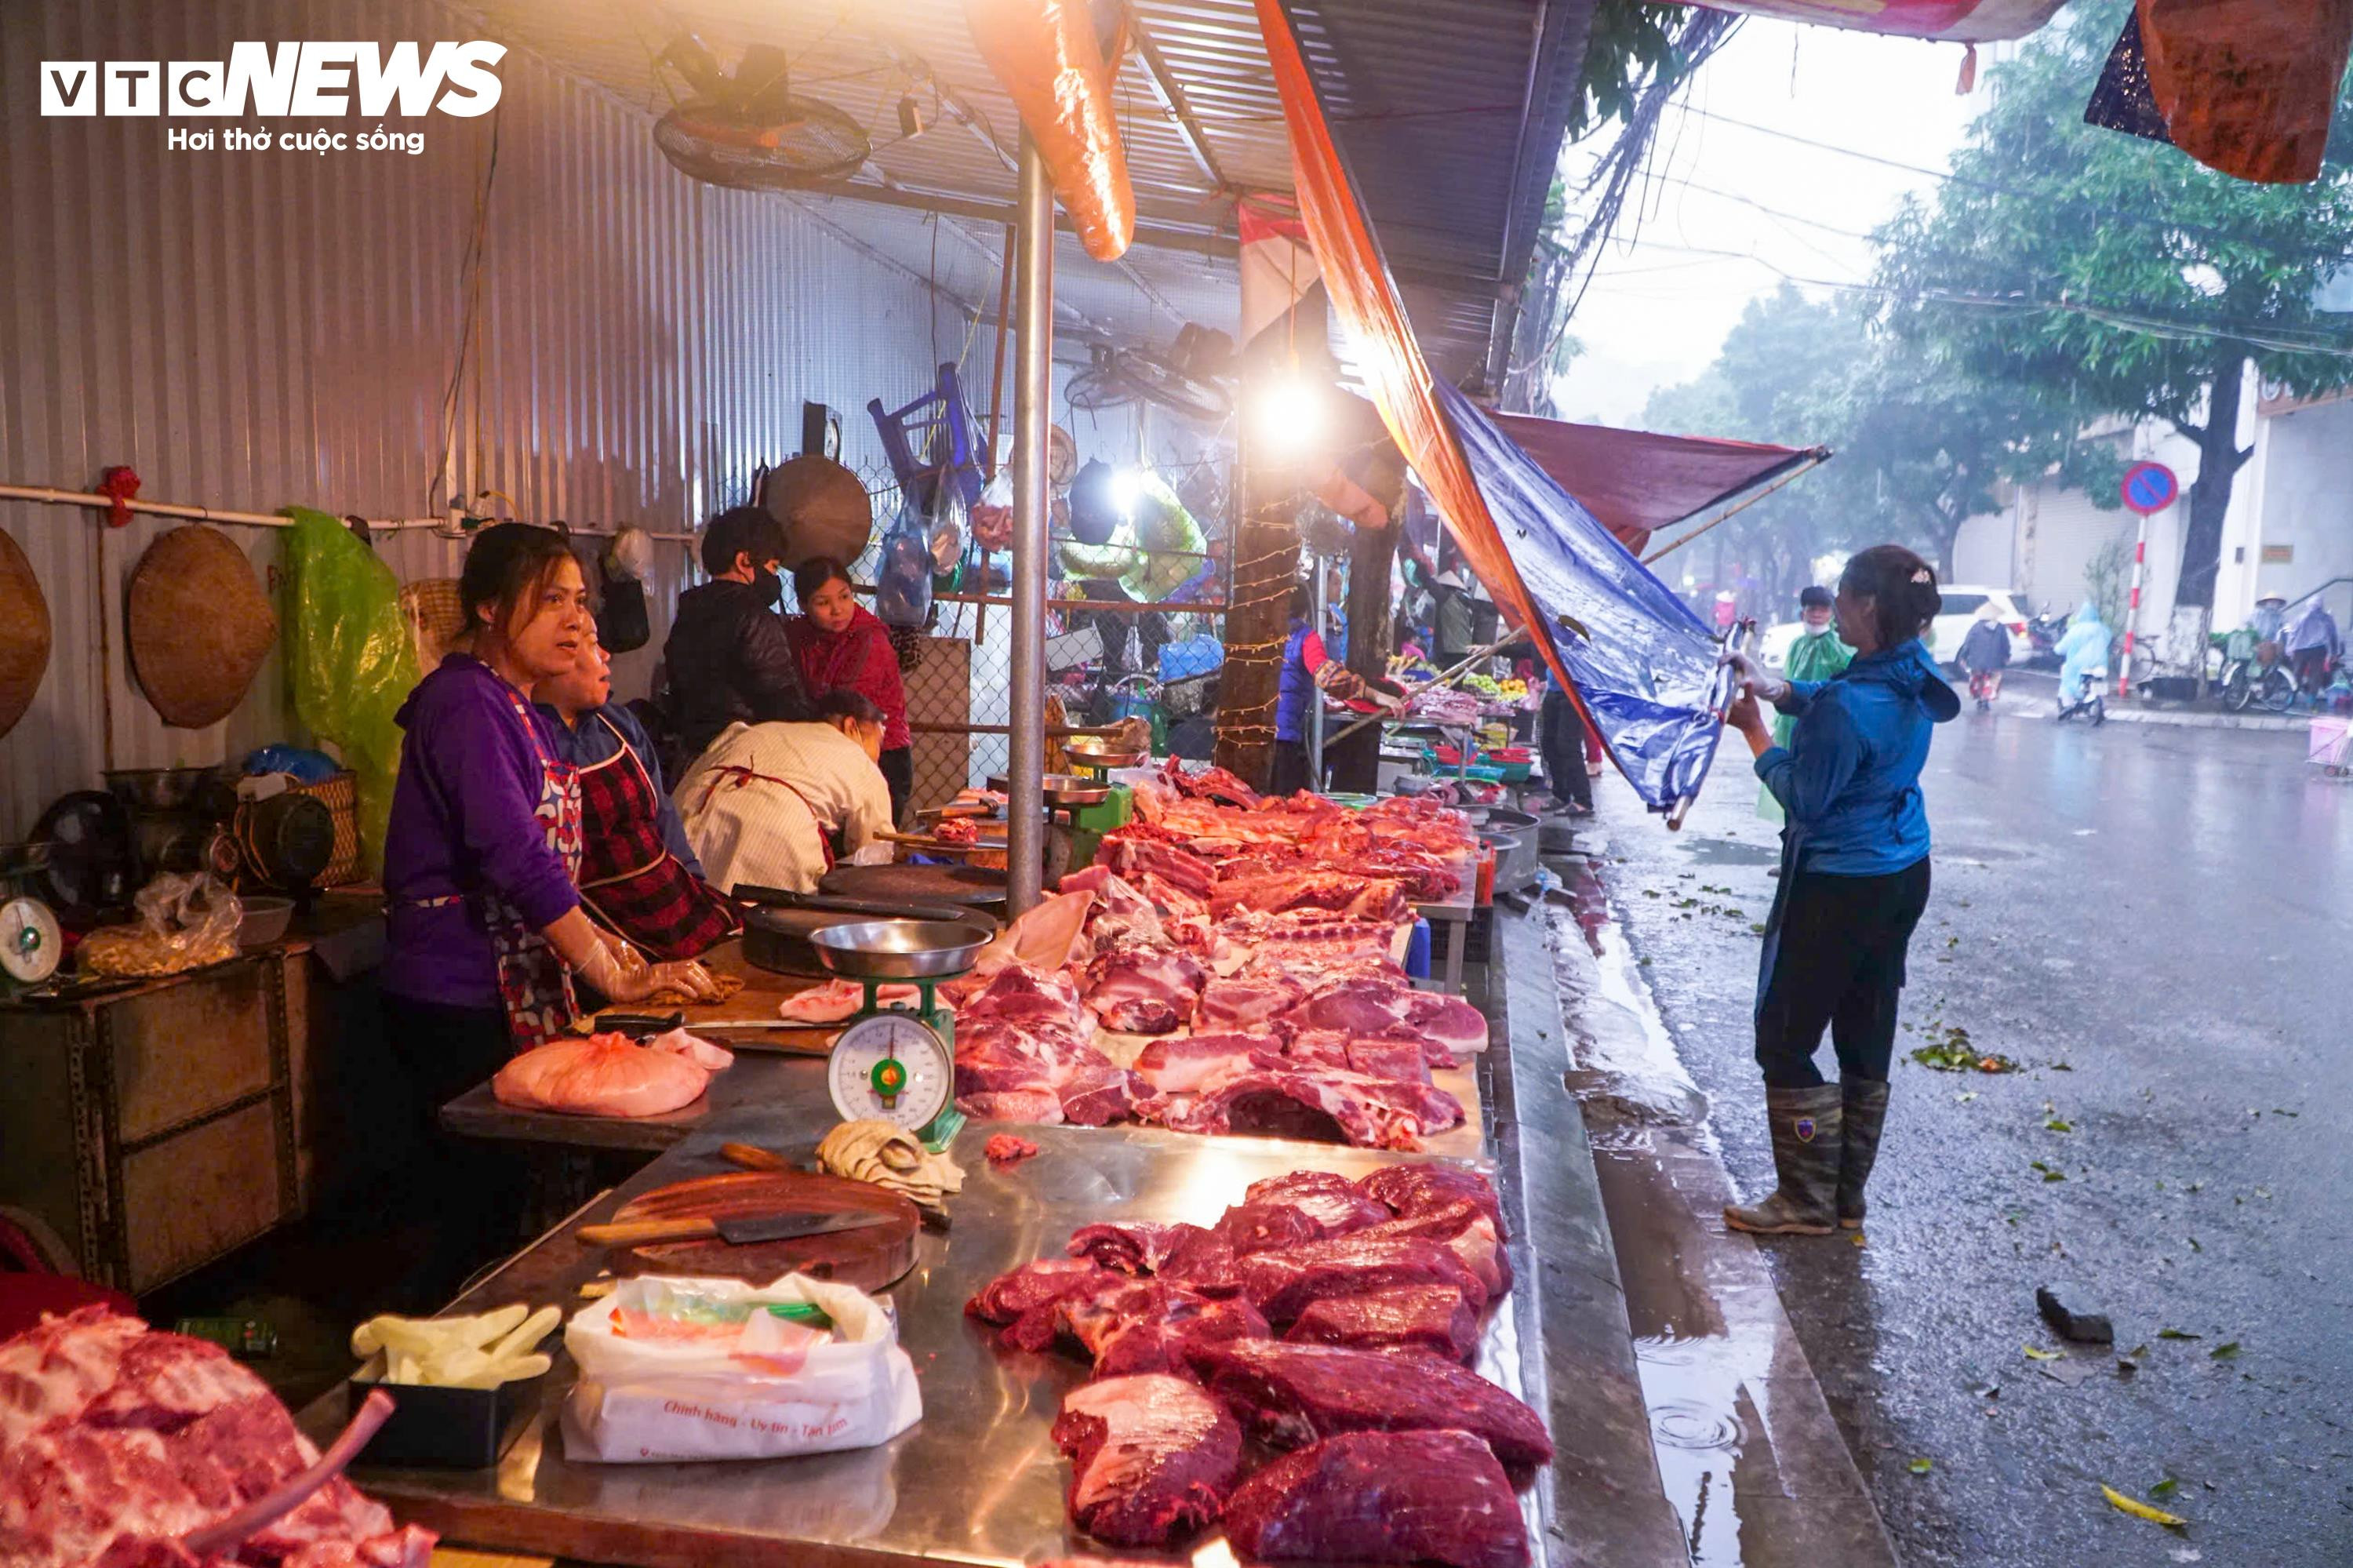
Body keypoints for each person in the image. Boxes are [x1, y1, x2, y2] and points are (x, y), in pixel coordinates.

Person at [380, 526, 722, 1280]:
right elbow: (516, 856)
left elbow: (556, 870)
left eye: (578, 599)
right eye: (551, 600)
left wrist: (627, 954)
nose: (573, 619)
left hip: (513, 983)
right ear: (491, 608)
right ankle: (440, 1377)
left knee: (516, 1207)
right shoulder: (466, 702)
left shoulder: (520, 707)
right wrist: (610, 971)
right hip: (458, 994)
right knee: (474, 1214)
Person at [1716, 544, 1956, 1236]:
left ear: (1867, 605)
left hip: (1841, 884)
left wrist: (1756, 732)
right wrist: (1777, 686)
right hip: (1904, 870)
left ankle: (1804, 1200)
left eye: (1845, 598)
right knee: (1864, 1024)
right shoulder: (1913, 671)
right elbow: (1842, 698)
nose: (1836, 607)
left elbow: (1805, 797)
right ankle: (1846, 1199)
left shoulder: (1850, 709)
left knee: (1784, 1037)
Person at [535, 631, 740, 960]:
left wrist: (695, 881)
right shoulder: (529, 740)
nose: (606, 655)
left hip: (672, 898)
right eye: (589, 644)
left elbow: (663, 813)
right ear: (547, 662)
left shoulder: (618, 722)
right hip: (605, 929)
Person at [676, 690, 898, 895]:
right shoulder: (861, 763)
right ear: (851, 726)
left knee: (685, 912)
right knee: (754, 926)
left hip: (688, 814)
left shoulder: (755, 729)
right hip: (773, 835)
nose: (878, 756)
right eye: (878, 743)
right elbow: (875, 855)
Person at [659, 505, 820, 776]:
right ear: (745, 561)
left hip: (693, 761)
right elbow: (781, 700)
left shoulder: (689, 611)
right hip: (743, 763)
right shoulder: (754, 616)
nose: (775, 578)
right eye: (773, 567)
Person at [786, 557, 914, 827]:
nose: (838, 610)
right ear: (803, 605)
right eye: (823, 603)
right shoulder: (797, 634)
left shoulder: (869, 638)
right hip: (826, 750)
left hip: (880, 754)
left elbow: (847, 709)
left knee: (870, 851)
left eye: (844, 597)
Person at [1272, 578, 1406, 797]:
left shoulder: (1262, 634)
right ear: (1308, 609)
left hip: (1254, 735)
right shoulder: (1306, 637)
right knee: (1282, 809)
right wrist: (1376, 695)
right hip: (1283, 739)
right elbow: (1329, 678)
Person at [1758, 587, 1853, 824]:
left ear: (1832, 614)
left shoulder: (1837, 645)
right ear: (1803, 612)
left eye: (1823, 609)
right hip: (1791, 727)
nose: (1817, 615)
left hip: (1823, 727)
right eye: (1812, 609)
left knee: (1812, 793)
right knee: (1789, 792)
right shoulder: (1797, 644)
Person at [1539, 673, 1600, 817]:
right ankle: (1561, 795)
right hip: (1554, 689)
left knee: (1568, 745)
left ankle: (1583, 801)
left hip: (1574, 691)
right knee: (1549, 743)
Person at [1957, 600, 2011, 713]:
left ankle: (1980, 699)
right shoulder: (2000, 628)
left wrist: (1963, 657)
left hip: (1976, 661)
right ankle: (1986, 700)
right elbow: (2005, 644)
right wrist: (2006, 656)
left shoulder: (1976, 627)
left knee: (1978, 680)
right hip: (1995, 661)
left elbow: (1968, 643)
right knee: (1991, 681)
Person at [2053, 601, 2110, 710]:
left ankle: (2068, 705)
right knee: (2100, 680)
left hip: (2078, 664)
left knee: (2067, 681)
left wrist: (2056, 649)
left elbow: (2063, 646)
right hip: (2101, 663)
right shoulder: (2103, 629)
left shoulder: (2076, 630)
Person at [2286, 596, 2342, 693]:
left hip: (2317, 649)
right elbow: (2293, 633)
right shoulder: (2302, 617)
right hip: (2302, 648)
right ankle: (2293, 696)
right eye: (2313, 605)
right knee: (2298, 674)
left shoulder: (2326, 618)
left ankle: (2309, 699)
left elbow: (2333, 635)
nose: (2315, 607)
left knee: (2315, 675)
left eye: (2317, 605)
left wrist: (2334, 652)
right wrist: (2290, 647)